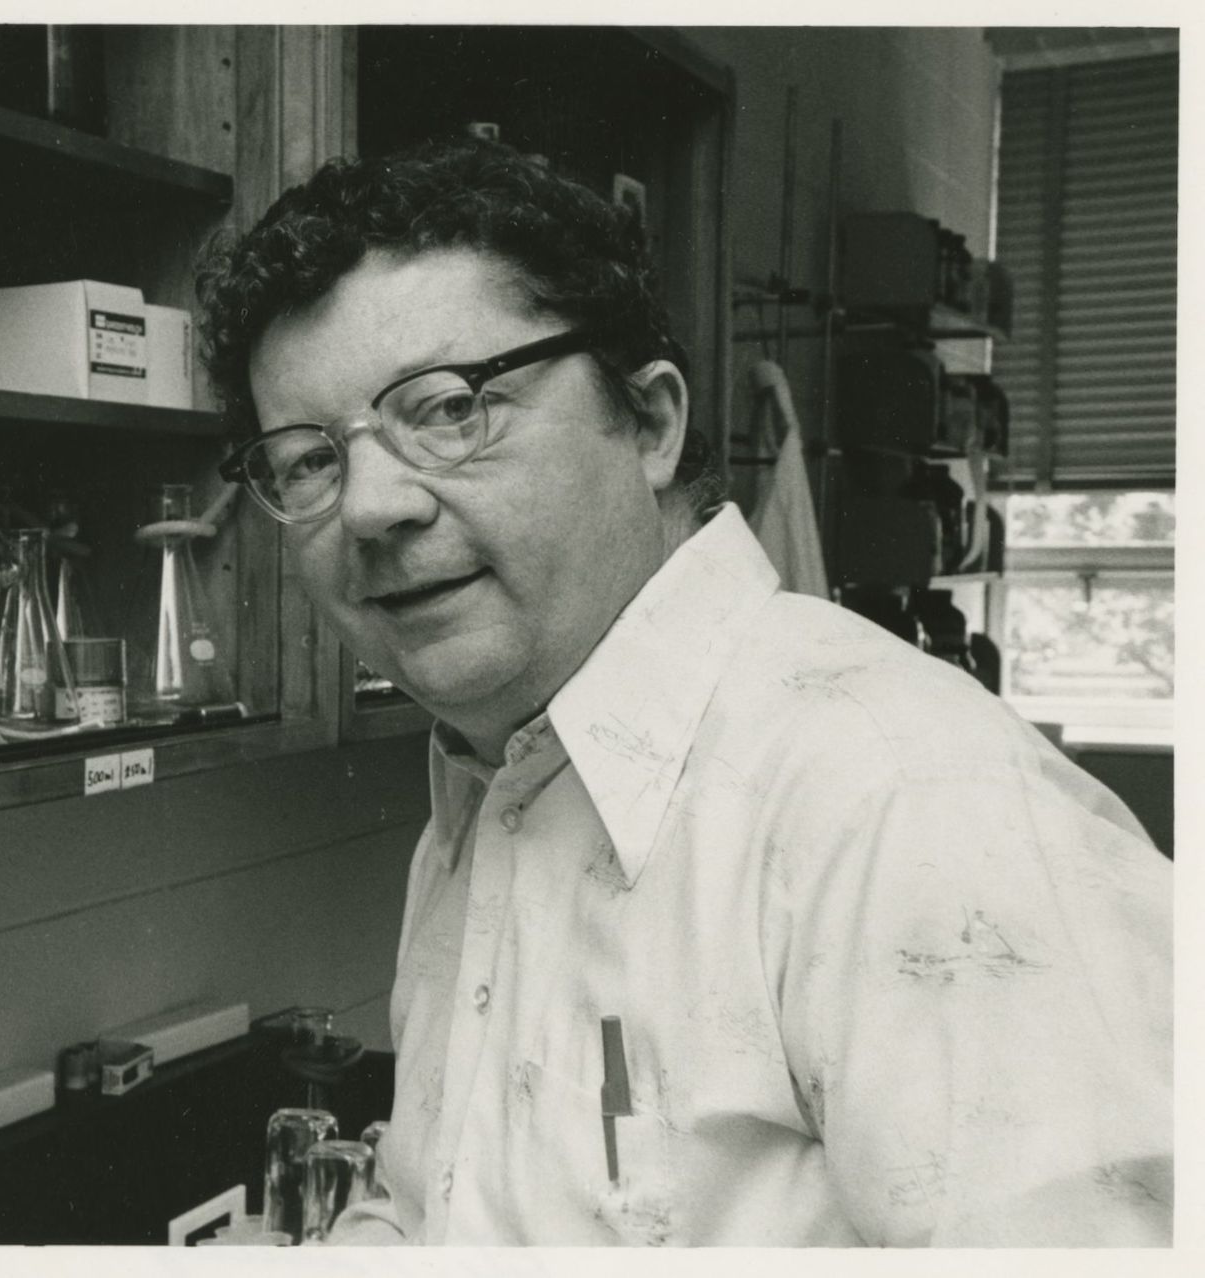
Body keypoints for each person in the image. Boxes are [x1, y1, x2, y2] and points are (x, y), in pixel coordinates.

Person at [198, 139, 1172, 1246]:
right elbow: (453, 1210)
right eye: (309, 459)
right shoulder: (495, 787)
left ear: (651, 423)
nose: (372, 506)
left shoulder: (911, 804)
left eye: (450, 408)